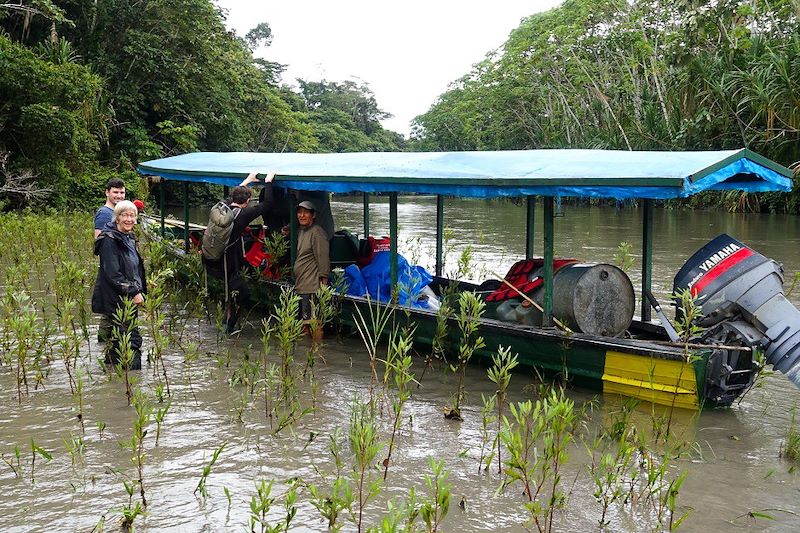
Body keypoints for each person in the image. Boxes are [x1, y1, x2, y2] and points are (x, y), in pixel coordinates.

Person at [204, 171, 273, 334]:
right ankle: (229, 329)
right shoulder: (244, 214)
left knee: (229, 289)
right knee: (241, 294)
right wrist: (268, 182)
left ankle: (224, 319)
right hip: (228, 263)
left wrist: (247, 181)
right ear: (248, 201)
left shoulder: (223, 209)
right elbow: (268, 204)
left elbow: (232, 196)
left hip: (213, 259)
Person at [91, 200, 146, 370]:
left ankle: (112, 381)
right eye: (125, 215)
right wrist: (134, 291)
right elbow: (113, 274)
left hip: (126, 297)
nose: (129, 219)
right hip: (117, 298)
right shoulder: (109, 240)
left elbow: (132, 267)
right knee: (131, 340)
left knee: (118, 341)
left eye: (132, 215)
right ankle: (132, 381)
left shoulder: (128, 237)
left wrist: (143, 286)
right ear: (116, 218)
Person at [94, 178, 126, 342]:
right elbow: (100, 243)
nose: (119, 195)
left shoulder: (119, 213)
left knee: (112, 311)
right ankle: (106, 345)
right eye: (115, 192)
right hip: (112, 269)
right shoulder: (104, 214)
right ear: (107, 192)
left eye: (122, 192)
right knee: (111, 309)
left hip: (119, 269)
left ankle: (105, 345)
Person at [293, 200, 330, 335]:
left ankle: (317, 351)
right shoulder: (302, 231)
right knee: (304, 324)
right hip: (302, 284)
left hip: (312, 286)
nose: (302, 215)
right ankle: (307, 352)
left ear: (313, 215)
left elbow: (323, 258)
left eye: (306, 213)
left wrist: (323, 281)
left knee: (314, 323)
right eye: (299, 212)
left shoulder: (317, 232)